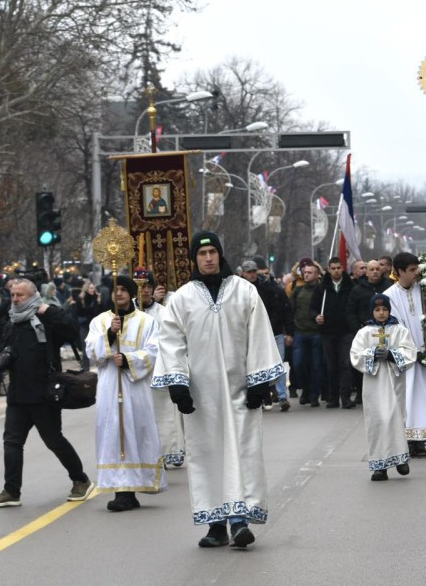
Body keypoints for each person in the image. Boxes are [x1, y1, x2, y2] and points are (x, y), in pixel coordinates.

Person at [151, 231, 284, 548]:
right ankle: (215, 524)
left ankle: (239, 521)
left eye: (212, 252)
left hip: (241, 391)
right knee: (207, 456)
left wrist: (259, 381)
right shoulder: (181, 298)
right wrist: (178, 384)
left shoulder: (244, 291)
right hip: (201, 396)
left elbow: (260, 336)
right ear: (194, 259)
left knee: (242, 452)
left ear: (220, 255)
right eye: (202, 253)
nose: (208, 258)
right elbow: (171, 343)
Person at [0, 279, 94, 507]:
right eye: (13, 295)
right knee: (11, 442)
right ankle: (11, 491)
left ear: (33, 296)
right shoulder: (12, 320)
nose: (16, 299)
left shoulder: (46, 317)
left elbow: (71, 331)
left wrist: (49, 312)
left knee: (54, 441)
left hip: (44, 394)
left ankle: (81, 480)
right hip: (18, 395)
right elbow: (10, 346)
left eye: (20, 295)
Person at [86, 275, 165, 511]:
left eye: (123, 290)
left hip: (135, 387)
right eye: (115, 289)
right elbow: (91, 350)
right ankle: (121, 489)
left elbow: (155, 351)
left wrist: (130, 360)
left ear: (131, 293)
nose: (118, 293)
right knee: (112, 433)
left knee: (135, 431)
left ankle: (132, 487)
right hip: (110, 386)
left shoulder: (145, 321)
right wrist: (110, 335)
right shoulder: (100, 321)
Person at [350, 294, 418, 481]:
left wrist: (391, 354)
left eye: (385, 309)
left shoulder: (399, 330)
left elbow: (410, 352)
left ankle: (400, 458)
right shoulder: (364, 332)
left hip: (394, 381)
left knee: (395, 417)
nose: (381, 313)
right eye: (377, 310)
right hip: (374, 382)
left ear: (389, 310)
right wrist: (371, 353)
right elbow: (355, 354)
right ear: (372, 311)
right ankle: (380, 466)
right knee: (377, 420)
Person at [384, 252, 426, 456]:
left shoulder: (425, 291)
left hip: (425, 354)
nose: (417, 273)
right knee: (407, 397)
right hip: (405, 356)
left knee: (425, 396)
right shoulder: (390, 295)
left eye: (417, 269)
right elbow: (395, 326)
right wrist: (410, 350)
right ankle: (407, 438)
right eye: (412, 270)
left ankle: (421, 439)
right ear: (399, 271)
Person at [139, 271, 186, 465]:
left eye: (148, 287)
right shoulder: (129, 313)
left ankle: (170, 451)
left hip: (158, 370)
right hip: (136, 371)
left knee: (165, 414)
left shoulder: (161, 312)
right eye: (141, 287)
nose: (144, 291)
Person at [242, 260, 294, 412]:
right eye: (249, 272)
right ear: (244, 273)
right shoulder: (240, 290)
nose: (252, 274)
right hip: (250, 334)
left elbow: (280, 308)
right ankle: (264, 395)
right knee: (257, 365)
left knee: (278, 363)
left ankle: (282, 396)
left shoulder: (268, 287)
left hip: (273, 331)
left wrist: (287, 330)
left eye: (254, 271)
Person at [347, 260, 394, 406]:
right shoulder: (357, 289)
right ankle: (363, 392)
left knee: (386, 364)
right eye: (371, 269)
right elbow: (351, 311)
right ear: (366, 272)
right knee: (365, 362)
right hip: (365, 332)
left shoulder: (389, 287)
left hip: (388, 330)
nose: (374, 272)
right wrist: (358, 329)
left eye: (377, 269)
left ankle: (388, 393)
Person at [313, 257, 356, 408]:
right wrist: (316, 317)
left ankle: (345, 397)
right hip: (328, 332)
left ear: (342, 268)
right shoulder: (322, 288)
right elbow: (313, 307)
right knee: (331, 366)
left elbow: (354, 306)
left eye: (339, 268)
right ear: (329, 270)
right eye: (333, 268)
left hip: (346, 331)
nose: (336, 271)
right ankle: (333, 397)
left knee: (345, 363)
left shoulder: (350, 286)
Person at [290, 259, 324, 406]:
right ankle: (306, 389)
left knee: (316, 366)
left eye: (310, 272)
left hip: (317, 333)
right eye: (305, 273)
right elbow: (291, 310)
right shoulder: (297, 290)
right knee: (298, 364)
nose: (306, 275)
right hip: (300, 332)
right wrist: (289, 331)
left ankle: (314, 395)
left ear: (317, 275)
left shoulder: (322, 291)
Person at [72, 280, 105, 371]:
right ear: (86, 289)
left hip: (96, 326)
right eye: (90, 288)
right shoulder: (81, 299)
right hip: (85, 325)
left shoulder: (97, 298)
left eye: (93, 288)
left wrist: (98, 303)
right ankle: (85, 369)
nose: (92, 290)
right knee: (85, 347)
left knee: (98, 347)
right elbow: (79, 312)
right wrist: (90, 312)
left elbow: (101, 312)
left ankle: (100, 367)